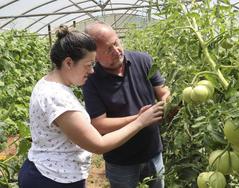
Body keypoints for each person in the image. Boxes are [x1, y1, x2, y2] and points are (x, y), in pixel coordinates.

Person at [18, 25, 164, 188]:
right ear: (68, 63)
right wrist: (140, 121)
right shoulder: (56, 98)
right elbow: (98, 144)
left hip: (55, 174)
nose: (93, 71)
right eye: (88, 65)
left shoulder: (50, 85)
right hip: (53, 179)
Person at [83, 22, 170, 188]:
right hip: (120, 160)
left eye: (116, 43)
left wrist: (164, 106)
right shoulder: (91, 80)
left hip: (152, 152)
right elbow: (99, 124)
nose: (117, 51)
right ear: (94, 55)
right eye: (108, 49)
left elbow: (164, 92)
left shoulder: (143, 60)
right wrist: (140, 119)